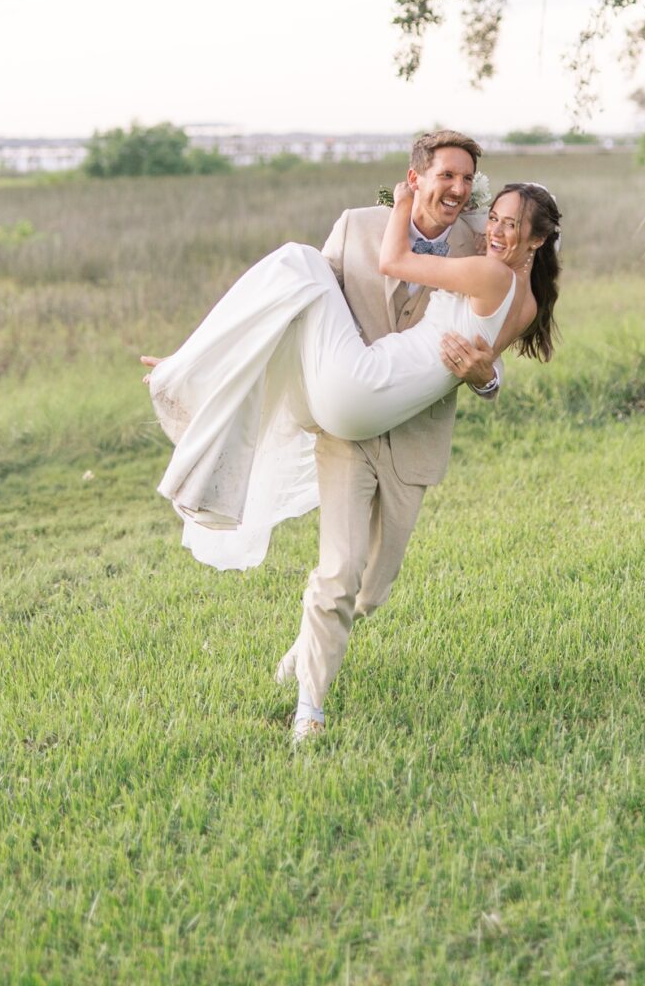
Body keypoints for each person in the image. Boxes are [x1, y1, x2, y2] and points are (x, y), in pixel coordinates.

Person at [142, 135, 561, 743]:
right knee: (300, 266)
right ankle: (309, 707)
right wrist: (202, 360)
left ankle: (306, 650)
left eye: (474, 186)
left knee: (367, 592)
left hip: (400, 428)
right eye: (449, 177)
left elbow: (484, 364)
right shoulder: (359, 228)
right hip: (349, 404)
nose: (482, 213)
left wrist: (485, 378)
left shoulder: (489, 265)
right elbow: (295, 312)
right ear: (417, 174)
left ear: (537, 238)